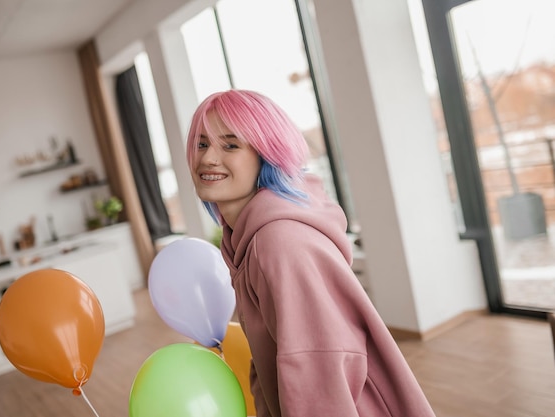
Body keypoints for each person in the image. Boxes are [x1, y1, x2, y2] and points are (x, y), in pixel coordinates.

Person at [186, 89, 436, 417]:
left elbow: (316, 370)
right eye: (201, 143)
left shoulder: (277, 244)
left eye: (230, 145)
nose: (207, 158)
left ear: (267, 155)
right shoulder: (246, 238)